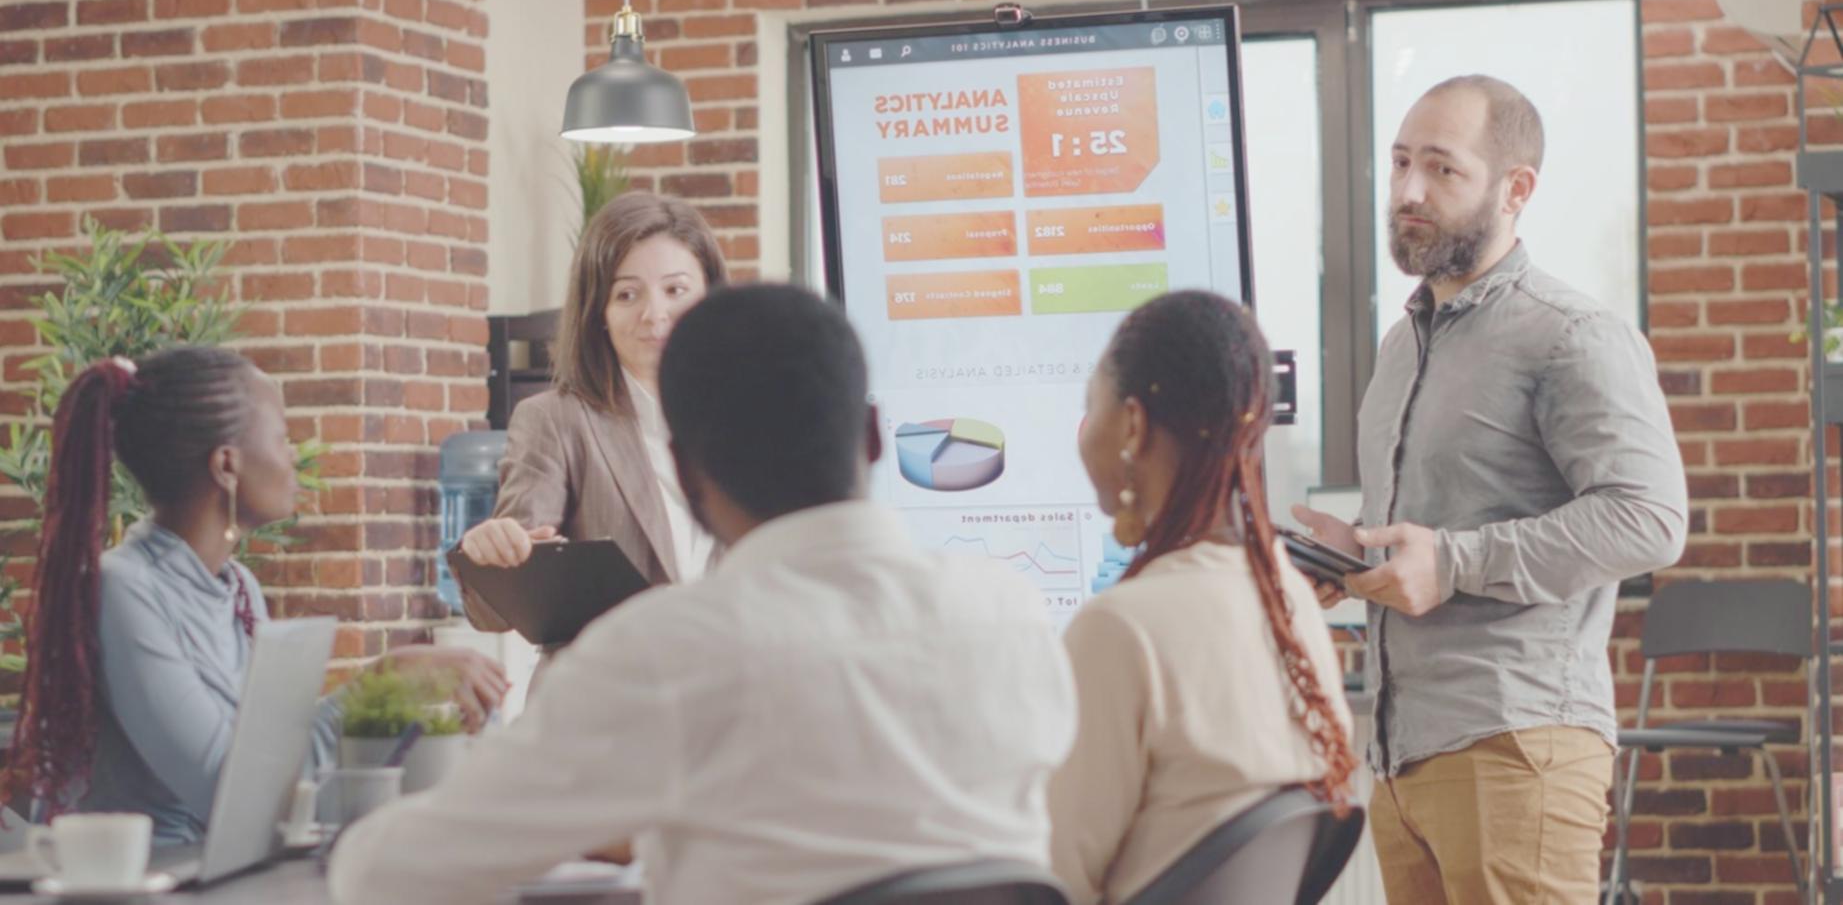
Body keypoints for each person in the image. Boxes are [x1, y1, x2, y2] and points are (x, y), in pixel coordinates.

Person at [328, 284, 1077, 905]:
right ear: (875, 436)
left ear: (686, 475)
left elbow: (392, 874)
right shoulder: (1012, 614)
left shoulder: (667, 649)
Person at [1292, 75, 1687, 904]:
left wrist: (1453, 561)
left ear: (1515, 189)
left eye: (1441, 168)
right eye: (1400, 162)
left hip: (1516, 746)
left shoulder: (1571, 334)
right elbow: (1437, 527)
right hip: (1401, 757)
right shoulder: (1401, 345)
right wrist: (1353, 551)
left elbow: (1648, 517)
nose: (1408, 190)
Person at [0, 347, 507, 845]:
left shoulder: (238, 588)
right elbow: (232, 792)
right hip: (146, 877)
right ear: (227, 465)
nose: (293, 457)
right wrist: (383, 677)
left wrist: (400, 706)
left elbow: (278, 770)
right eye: (282, 437)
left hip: (224, 873)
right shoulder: (123, 590)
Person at [1046, 291, 1356, 905]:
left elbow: (1056, 881)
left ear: (1132, 425)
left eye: (1090, 406)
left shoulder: (1120, 628)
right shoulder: (1288, 599)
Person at [453, 192, 728, 641]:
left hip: (730, 678)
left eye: (675, 290)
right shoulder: (555, 421)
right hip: (605, 681)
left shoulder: (752, 418)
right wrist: (492, 553)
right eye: (626, 294)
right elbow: (495, 613)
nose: (654, 314)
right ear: (599, 312)